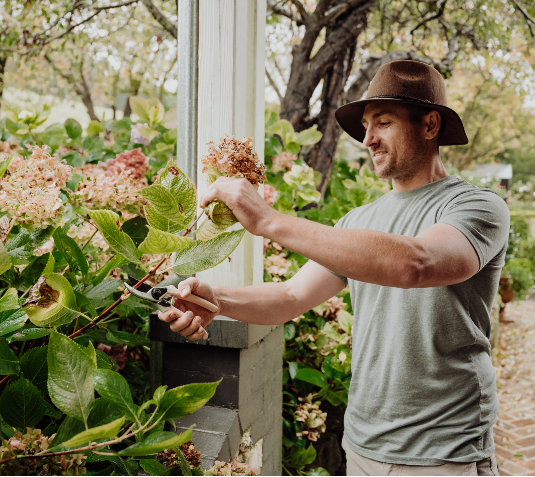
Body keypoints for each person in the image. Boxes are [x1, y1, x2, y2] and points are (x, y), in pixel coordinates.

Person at [160, 60, 509, 476]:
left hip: (442, 452)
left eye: (382, 123)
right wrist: (217, 301)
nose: (368, 139)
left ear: (430, 125)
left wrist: (269, 221)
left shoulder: (476, 207)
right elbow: (291, 296)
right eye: (365, 126)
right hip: (362, 445)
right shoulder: (357, 222)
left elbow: (417, 263)